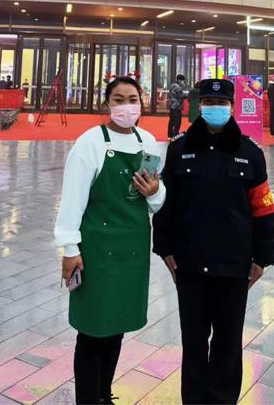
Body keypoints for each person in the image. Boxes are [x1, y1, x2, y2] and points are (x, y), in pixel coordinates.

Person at [153, 78, 274, 405]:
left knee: (228, 343)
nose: (215, 108)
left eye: (221, 103)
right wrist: (164, 247)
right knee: (193, 343)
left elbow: (263, 207)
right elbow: (167, 202)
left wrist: (262, 256)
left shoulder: (249, 152)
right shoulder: (179, 149)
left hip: (234, 266)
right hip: (190, 264)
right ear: (199, 106)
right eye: (209, 102)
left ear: (232, 107)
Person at [54, 76, 166, 405]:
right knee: (92, 331)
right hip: (97, 251)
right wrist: (70, 248)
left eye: (132, 99)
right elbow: (72, 198)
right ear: (107, 103)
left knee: (116, 326)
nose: (126, 106)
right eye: (118, 99)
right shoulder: (90, 143)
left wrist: (154, 191)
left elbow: (156, 202)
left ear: (141, 103)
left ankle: (103, 395)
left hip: (132, 250)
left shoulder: (148, 142)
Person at [168, 74, 187, 138]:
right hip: (177, 106)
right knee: (177, 121)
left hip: (172, 105)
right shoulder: (178, 87)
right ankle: (175, 134)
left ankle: (170, 134)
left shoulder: (172, 85)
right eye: (182, 80)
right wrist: (188, 95)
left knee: (172, 121)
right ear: (179, 80)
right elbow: (181, 96)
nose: (183, 82)